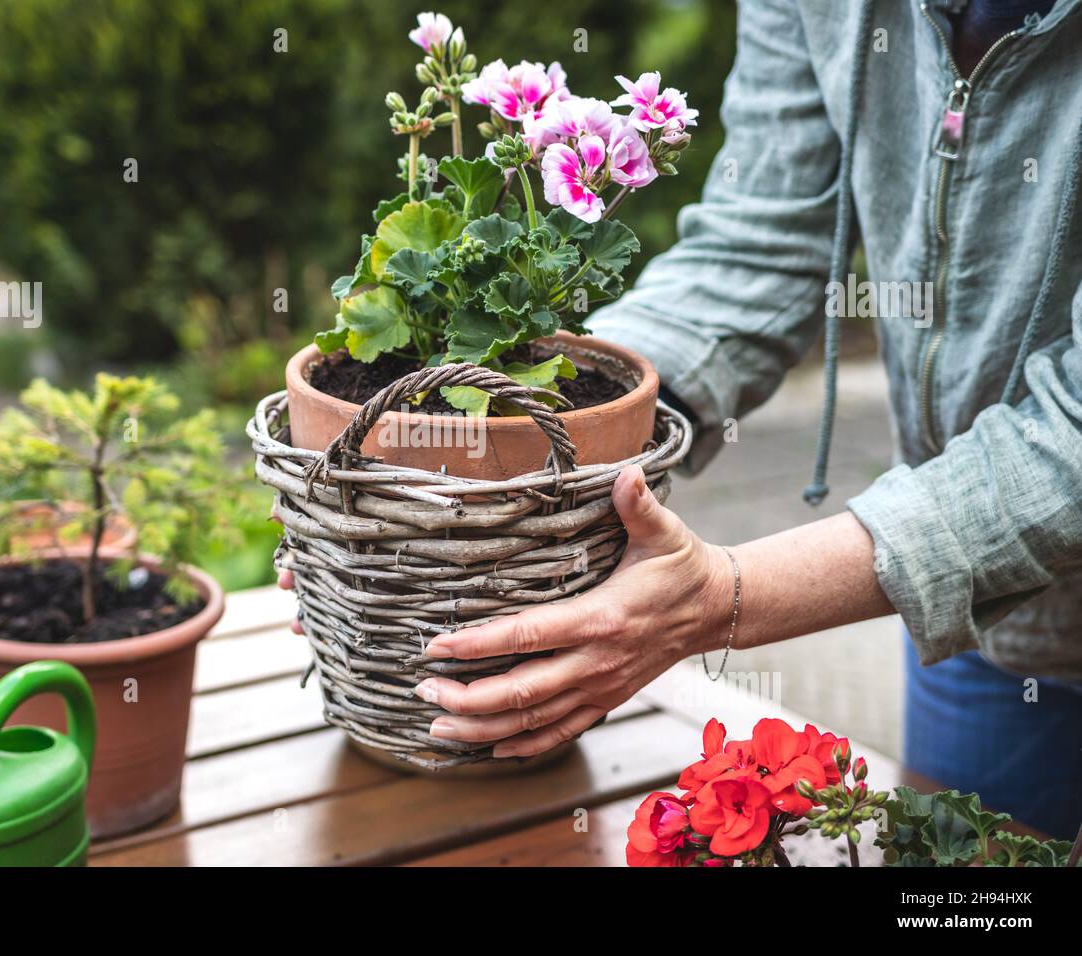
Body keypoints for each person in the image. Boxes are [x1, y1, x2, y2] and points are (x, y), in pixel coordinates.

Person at [281, 0, 1082, 838]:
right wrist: (442, 485)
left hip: (976, 573)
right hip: (998, 633)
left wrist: (723, 598)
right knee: (973, 889)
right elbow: (761, 241)